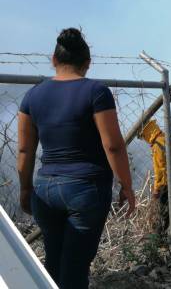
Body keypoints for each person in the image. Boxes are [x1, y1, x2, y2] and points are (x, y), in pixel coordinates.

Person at [17, 28, 135, 289]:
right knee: (75, 267)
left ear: (53, 59)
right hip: (85, 189)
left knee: (53, 260)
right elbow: (113, 146)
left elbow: (25, 151)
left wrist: (26, 188)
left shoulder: (32, 96)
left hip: (45, 189)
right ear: (87, 63)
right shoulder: (96, 92)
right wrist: (126, 186)